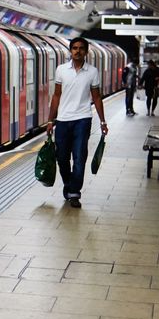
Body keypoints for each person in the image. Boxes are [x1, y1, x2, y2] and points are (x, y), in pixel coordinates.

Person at [46, 37, 109, 208]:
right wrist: (50, 120)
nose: (77, 51)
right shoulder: (61, 70)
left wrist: (103, 121)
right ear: (70, 50)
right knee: (62, 158)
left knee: (79, 157)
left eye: (81, 48)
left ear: (86, 51)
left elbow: (96, 97)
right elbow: (56, 95)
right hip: (63, 120)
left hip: (83, 118)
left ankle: (74, 192)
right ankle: (68, 184)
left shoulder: (92, 72)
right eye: (74, 48)